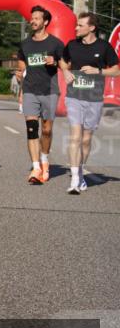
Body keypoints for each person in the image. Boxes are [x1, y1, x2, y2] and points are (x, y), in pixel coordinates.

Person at [60, 12, 120, 194]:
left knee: (86, 140)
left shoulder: (104, 47)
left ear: (91, 28)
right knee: (75, 137)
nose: (76, 28)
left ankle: (80, 171)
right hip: (74, 96)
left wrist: (98, 71)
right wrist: (65, 72)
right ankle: (75, 180)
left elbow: (116, 70)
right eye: (76, 25)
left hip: (94, 98)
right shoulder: (71, 45)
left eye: (80, 25)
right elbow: (63, 62)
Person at [17, 5, 65, 184]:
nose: (33, 21)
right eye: (32, 18)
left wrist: (55, 62)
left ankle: (45, 160)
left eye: (37, 18)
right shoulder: (25, 44)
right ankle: (36, 167)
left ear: (45, 22)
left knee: (47, 130)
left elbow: (66, 65)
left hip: (50, 91)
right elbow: (22, 63)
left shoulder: (55, 44)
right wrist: (20, 72)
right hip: (30, 90)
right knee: (31, 129)